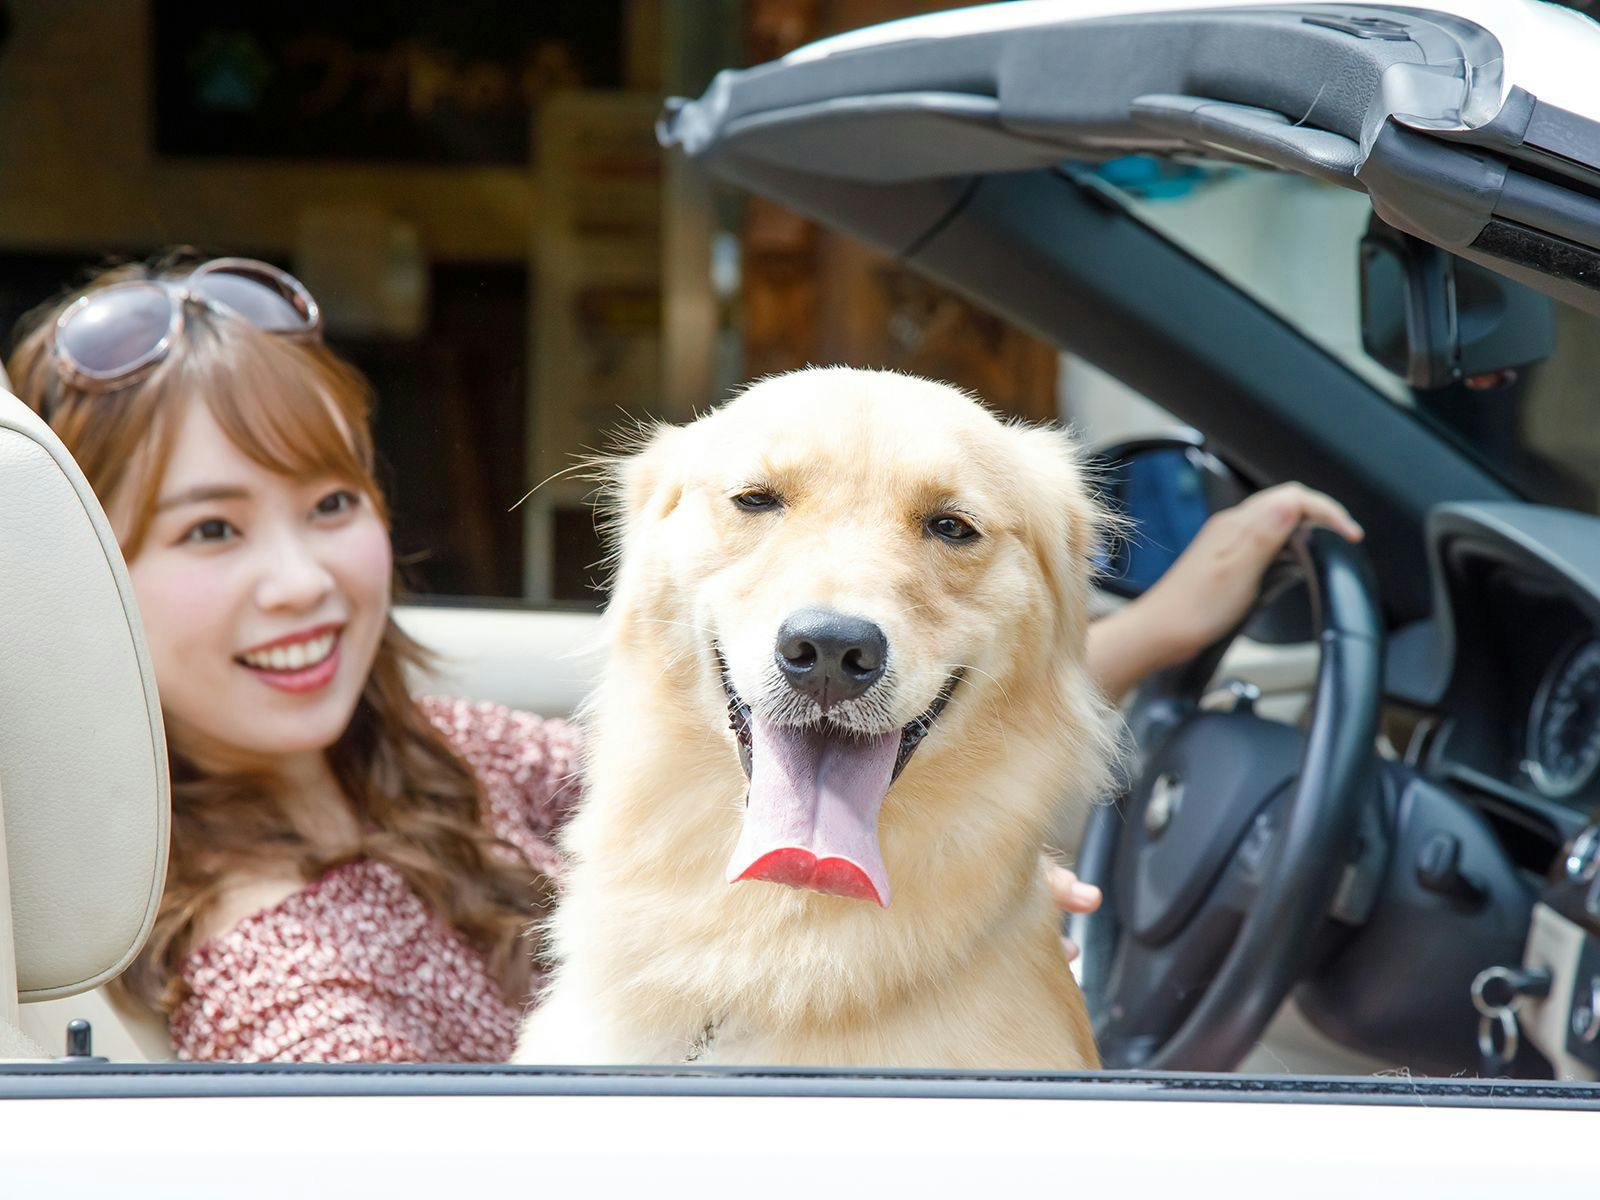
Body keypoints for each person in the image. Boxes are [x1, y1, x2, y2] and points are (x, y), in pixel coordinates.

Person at [5, 252, 1358, 1061]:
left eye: (331, 506)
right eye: (209, 531)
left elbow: (787, 770)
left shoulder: (441, 758)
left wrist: (959, 872)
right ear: (83, 593)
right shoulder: (274, 980)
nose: (297, 577)